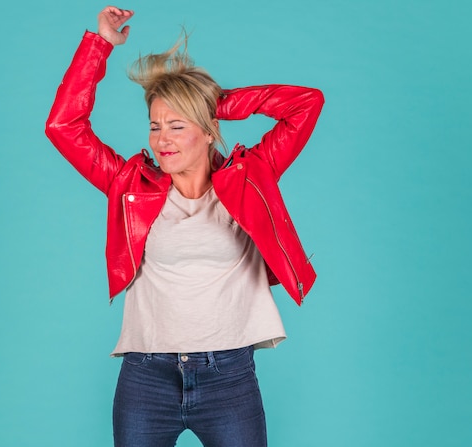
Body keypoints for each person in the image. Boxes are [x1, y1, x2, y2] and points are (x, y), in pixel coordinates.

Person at [45, 6, 324, 447]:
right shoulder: (129, 184)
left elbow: (307, 104)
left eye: (178, 124)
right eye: (156, 126)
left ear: (209, 129)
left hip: (229, 378)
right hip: (145, 378)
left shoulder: (253, 176)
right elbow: (63, 126)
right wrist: (99, 44)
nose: (163, 139)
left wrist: (219, 102)